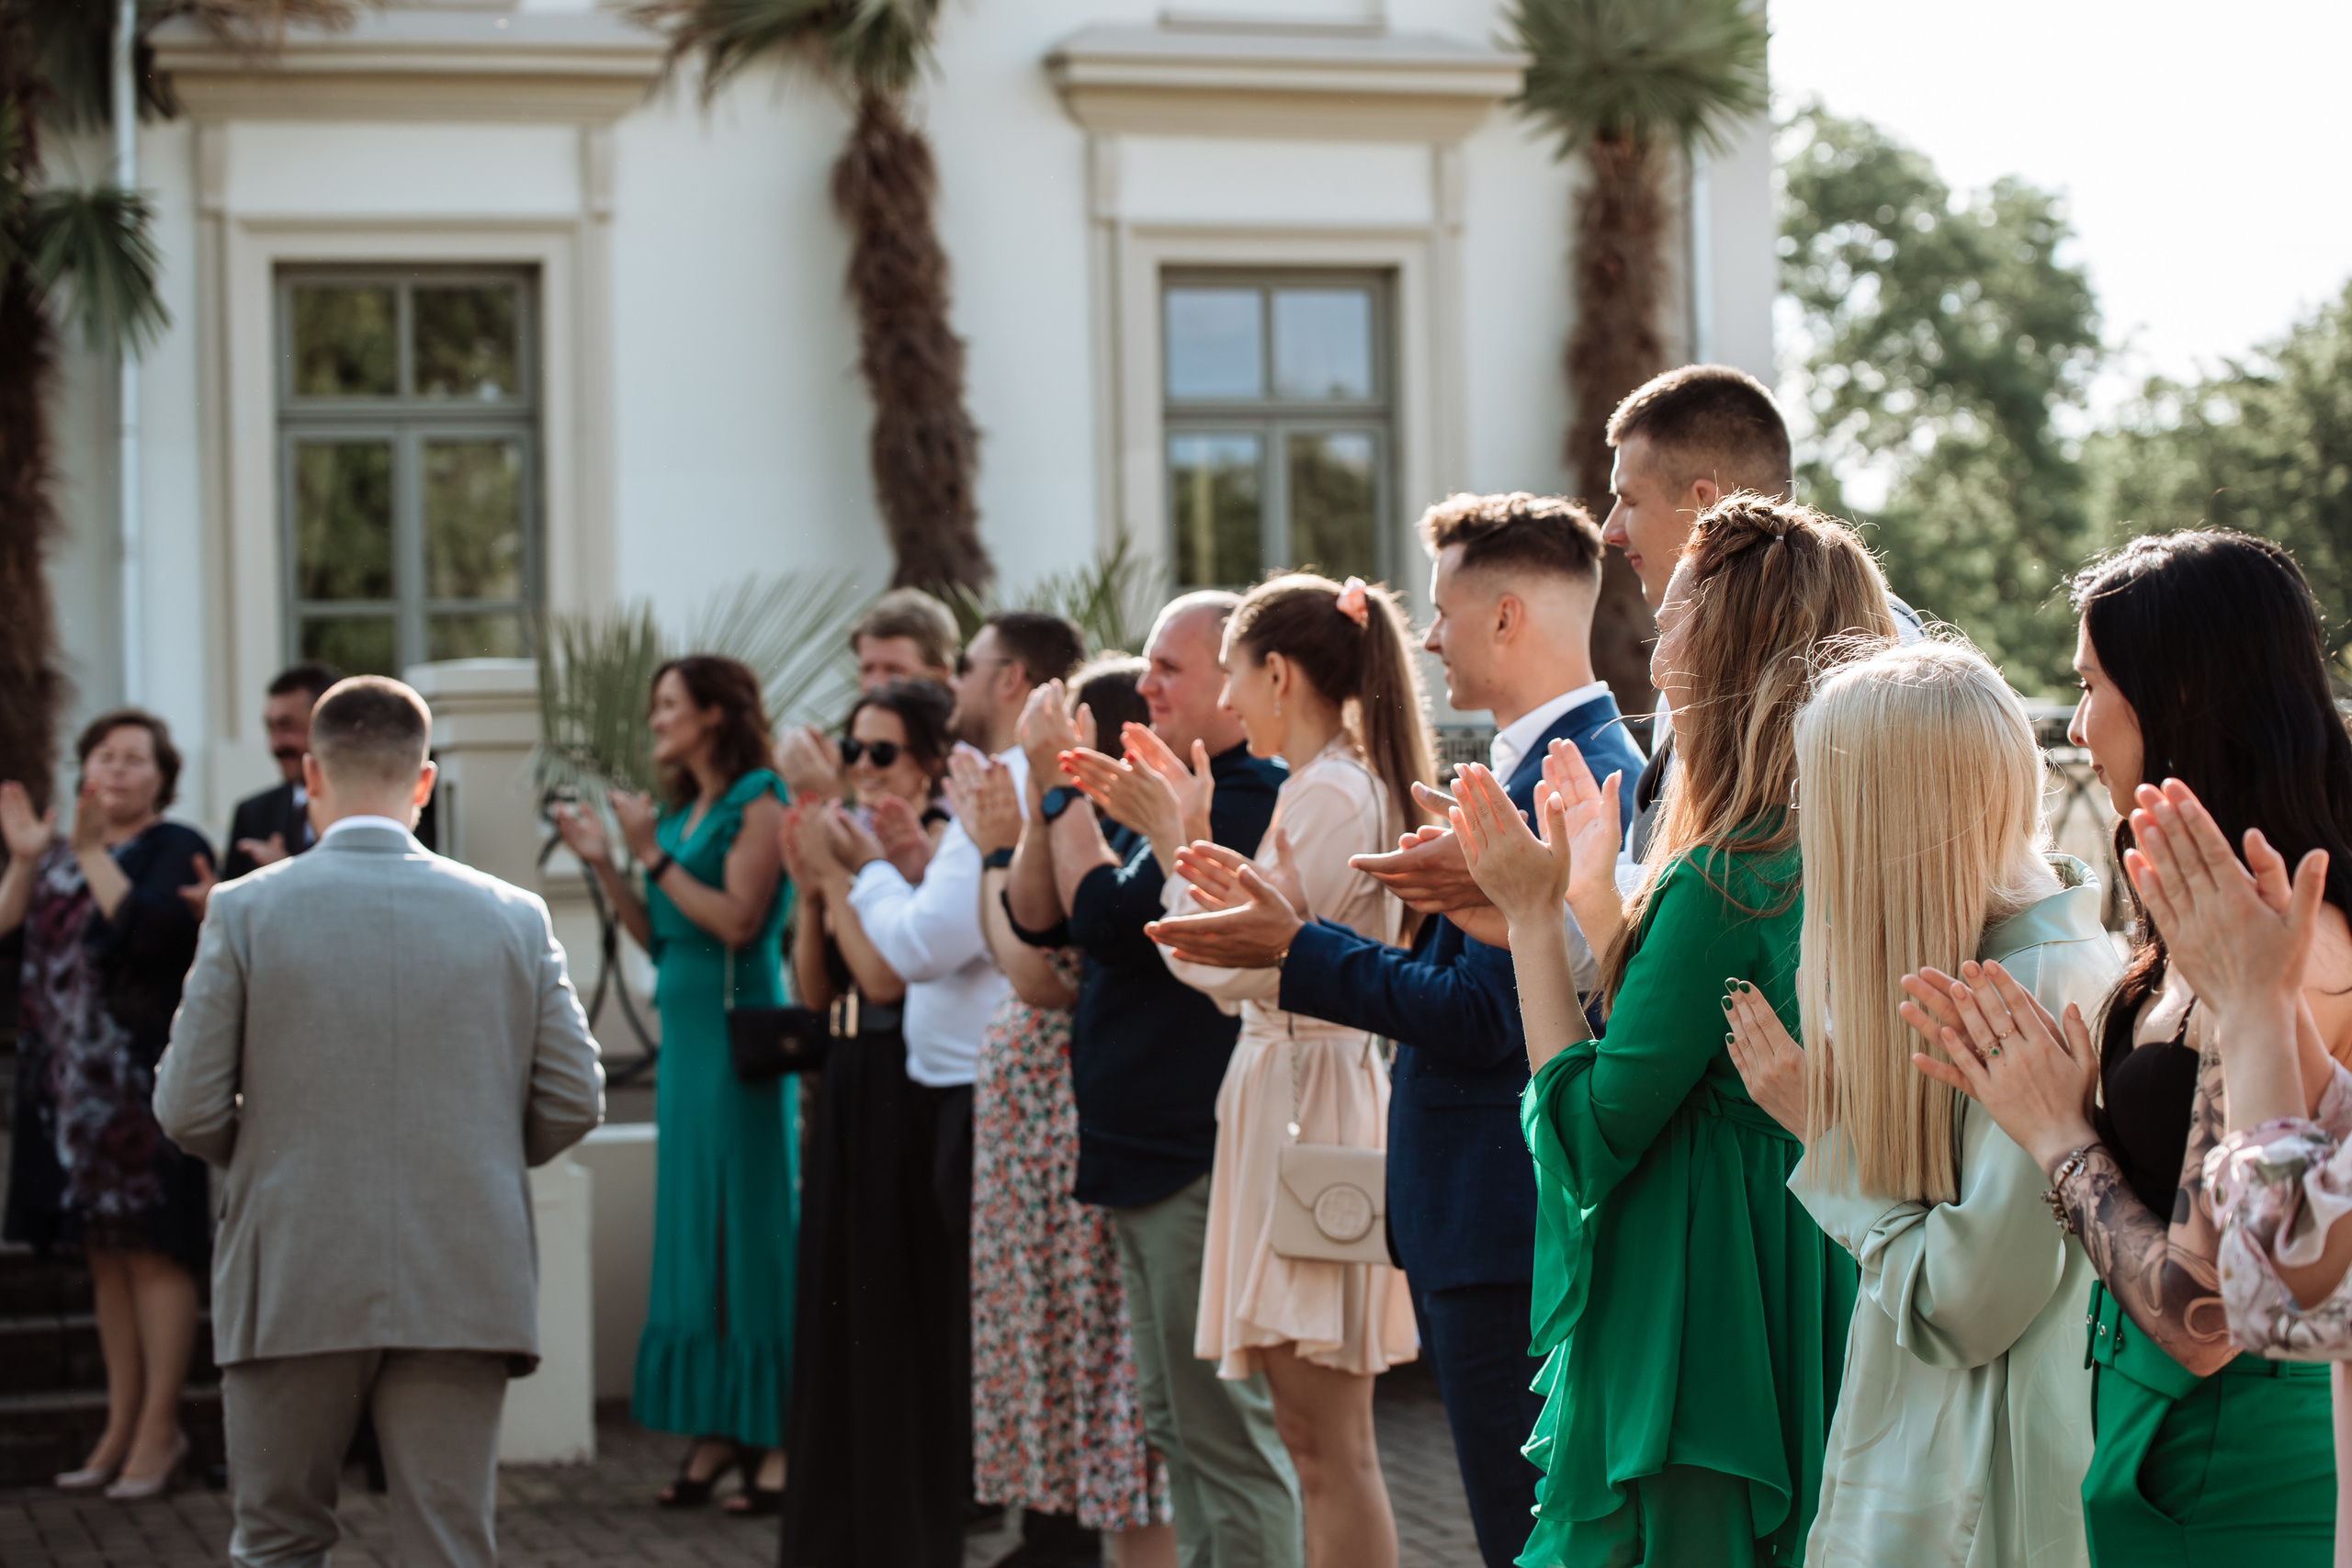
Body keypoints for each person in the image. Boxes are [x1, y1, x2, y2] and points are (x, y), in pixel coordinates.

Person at [1143, 495, 1643, 1566]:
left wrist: (1299, 948)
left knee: (1524, 1529)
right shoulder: (1534, 763)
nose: (1424, 638)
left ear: (1506, 618)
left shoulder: (1579, 770)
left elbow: (1482, 1019)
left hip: (1504, 1213)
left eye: (1445, 611)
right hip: (1474, 1205)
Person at [1901, 530, 2352, 1563]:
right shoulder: (2210, 931)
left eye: (2094, 683)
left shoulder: (2296, 955)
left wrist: (2060, 1136)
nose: (2076, 721)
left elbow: (2204, 1320)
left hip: (2240, 1479)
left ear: (2179, 695)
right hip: (2150, 1455)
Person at [1462, 495, 1887, 1566]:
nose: (1656, 642)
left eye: (1680, 612)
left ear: (1733, 640)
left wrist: (1524, 909)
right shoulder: (1843, 851)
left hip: (1699, 1301)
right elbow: (1690, 1029)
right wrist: (1602, 908)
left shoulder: (1727, 871)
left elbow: (1592, 1131)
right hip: (1803, 1263)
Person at [154, 676, 605, 1566]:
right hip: (462, 1267)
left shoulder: (244, 909)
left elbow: (186, 1106)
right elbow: (574, 1100)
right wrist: (468, 1153)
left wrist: (273, 1157)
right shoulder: (515, 915)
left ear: (311, 776)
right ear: (424, 783)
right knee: (447, 1545)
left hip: (292, 1261)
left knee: (279, 1540)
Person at [1718, 641, 2120, 1567]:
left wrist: (1829, 1144)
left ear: (1888, 815)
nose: (1801, 816)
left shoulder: (2027, 990)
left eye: (1819, 790)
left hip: (1984, 1496)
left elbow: (1966, 1304)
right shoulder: (2028, 955)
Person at [1006, 593, 1301, 1568]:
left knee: (1225, 1438)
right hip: (1141, 1160)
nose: (1145, 684)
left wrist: (1057, 794)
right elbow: (1044, 918)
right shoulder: (1168, 797)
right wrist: (1050, 804)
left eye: (1170, 668)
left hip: (1190, 1157)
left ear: (1237, 680)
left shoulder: (1250, 793)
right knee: (1177, 1432)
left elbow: (1108, 921)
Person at [784, 613, 1084, 1568]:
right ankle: (1038, 1524)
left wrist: (862, 870)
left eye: (970, 664)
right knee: (981, 1326)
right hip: (944, 1087)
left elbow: (910, 953)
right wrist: (881, 872)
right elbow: (871, 958)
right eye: (852, 750)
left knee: (994, 1328)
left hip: (976, 1092)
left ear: (1013, 680)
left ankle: (1048, 1530)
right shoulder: (980, 798)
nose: (862, 765)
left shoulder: (1002, 794)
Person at [1141, 573, 1429, 1568]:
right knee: (1310, 1435)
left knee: (1326, 1439)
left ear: (1276, 672)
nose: (1226, 700)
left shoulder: (1332, 795)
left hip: (1313, 1095)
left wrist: (1176, 839)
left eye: (1232, 675)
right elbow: (1223, 961)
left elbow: (1225, 968)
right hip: (1287, 1090)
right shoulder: (1322, 788)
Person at [551, 655, 794, 1513]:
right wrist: (610, 861)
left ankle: (776, 1435)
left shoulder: (761, 797)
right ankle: (720, 1426)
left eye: (668, 704)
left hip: (742, 1049)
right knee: (700, 1229)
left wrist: (649, 850)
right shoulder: (691, 809)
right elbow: (663, 936)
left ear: (715, 716)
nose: (655, 719)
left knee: (751, 1229)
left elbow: (737, 918)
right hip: (690, 1046)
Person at [960, 659, 1173, 1568]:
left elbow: (1034, 963)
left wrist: (1002, 847)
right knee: (1078, 1371)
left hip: (1094, 1131)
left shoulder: (1117, 831)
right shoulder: (1077, 821)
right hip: (1050, 1141)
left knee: (1117, 1385)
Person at [1, 711, 214, 1500]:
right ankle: (118, 1427)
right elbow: (8, 934)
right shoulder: (55, 852)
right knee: (103, 1255)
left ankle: (161, 1429)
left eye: (134, 759)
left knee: (155, 1249)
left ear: (163, 775)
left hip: (139, 1089)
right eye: (103, 756)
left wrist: (91, 852)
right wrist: (27, 860)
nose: (116, 770)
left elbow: (153, 934)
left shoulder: (174, 844)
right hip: (65, 1090)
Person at [781, 677, 965, 1566]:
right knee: (829, 1303)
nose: (861, 766)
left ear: (930, 763)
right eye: (853, 750)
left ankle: (903, 1535)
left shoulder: (929, 848)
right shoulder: (850, 843)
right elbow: (816, 991)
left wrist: (844, 875)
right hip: (844, 1073)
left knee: (891, 1315)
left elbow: (888, 976)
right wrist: (814, 891)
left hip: (904, 1082)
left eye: (881, 751)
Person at [775, 587, 961, 803]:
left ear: (941, 674)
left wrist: (827, 798)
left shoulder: (969, 756)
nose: (876, 685)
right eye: (867, 669)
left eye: (894, 671)